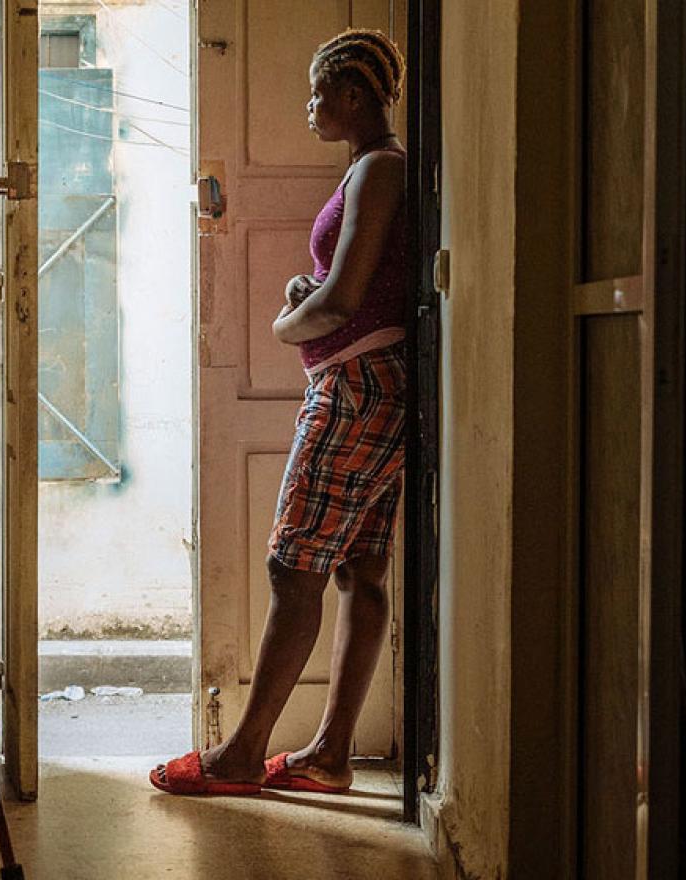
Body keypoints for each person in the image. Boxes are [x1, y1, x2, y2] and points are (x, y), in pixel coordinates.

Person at [151, 28, 408, 796]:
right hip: (372, 383)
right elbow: (346, 276)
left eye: (318, 92)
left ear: (352, 96)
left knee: (291, 564)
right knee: (360, 570)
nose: (309, 106)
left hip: (356, 388)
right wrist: (310, 288)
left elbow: (349, 295)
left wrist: (287, 324)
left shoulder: (377, 171)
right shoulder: (374, 171)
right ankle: (328, 755)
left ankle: (240, 756)